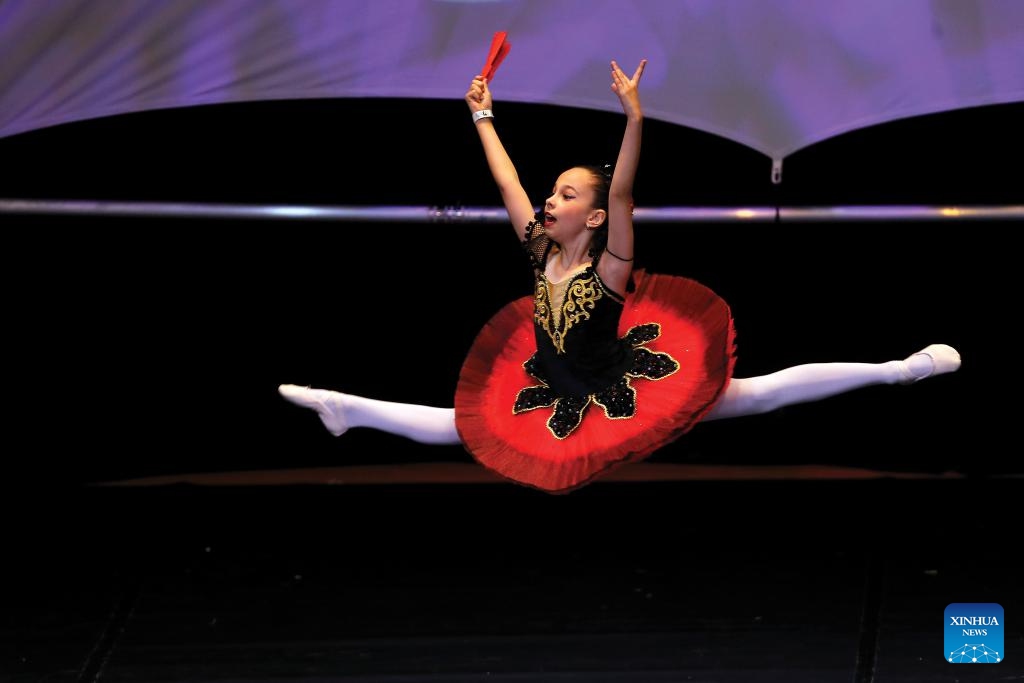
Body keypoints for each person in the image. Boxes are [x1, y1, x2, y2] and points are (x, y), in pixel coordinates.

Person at [279, 59, 961, 494]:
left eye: (567, 196)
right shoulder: (541, 253)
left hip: (618, 385)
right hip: (560, 382)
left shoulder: (609, 267)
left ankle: (897, 369)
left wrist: (634, 118)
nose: (550, 200)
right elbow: (508, 180)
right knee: (468, 424)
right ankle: (348, 408)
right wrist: (483, 115)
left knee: (753, 395)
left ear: (597, 217)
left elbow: (626, 193)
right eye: (553, 194)